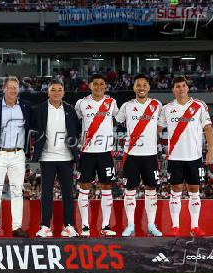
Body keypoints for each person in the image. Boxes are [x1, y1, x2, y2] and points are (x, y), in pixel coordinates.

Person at [158, 75, 213, 237]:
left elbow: (208, 128)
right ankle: (175, 226)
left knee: (194, 190)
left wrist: (210, 149)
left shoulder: (199, 106)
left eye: (183, 86)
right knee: (175, 190)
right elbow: (158, 129)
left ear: (187, 88)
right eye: (177, 86)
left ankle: (194, 226)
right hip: (175, 157)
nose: (181, 89)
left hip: (194, 157)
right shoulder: (167, 108)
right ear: (173, 89)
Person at [115, 74, 163, 237]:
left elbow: (161, 125)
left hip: (150, 155)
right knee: (129, 190)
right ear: (134, 87)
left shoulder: (157, 105)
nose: (141, 88)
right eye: (138, 85)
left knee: (152, 190)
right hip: (131, 155)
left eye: (144, 85)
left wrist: (150, 137)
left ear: (149, 87)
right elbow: (116, 121)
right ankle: (130, 225)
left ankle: (151, 225)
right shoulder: (127, 106)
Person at [31, 79, 80, 238]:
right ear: (48, 91)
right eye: (53, 89)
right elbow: (32, 129)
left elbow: (76, 130)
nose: (57, 92)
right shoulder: (39, 109)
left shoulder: (70, 110)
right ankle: (45, 226)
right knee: (46, 193)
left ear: (64, 92)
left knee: (68, 193)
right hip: (46, 157)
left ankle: (69, 226)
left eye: (60, 89)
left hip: (66, 157)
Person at [0, 76, 31, 238]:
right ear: (3, 89)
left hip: (18, 154)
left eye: (15, 87)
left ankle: (17, 227)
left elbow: (31, 128)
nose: (13, 90)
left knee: (17, 191)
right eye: (10, 87)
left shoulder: (25, 107)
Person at [75, 74, 119, 237]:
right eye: (96, 84)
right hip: (87, 152)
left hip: (106, 152)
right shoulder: (81, 103)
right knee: (84, 188)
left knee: (107, 187)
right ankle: (85, 226)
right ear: (90, 85)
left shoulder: (112, 102)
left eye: (102, 84)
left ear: (105, 86)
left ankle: (105, 226)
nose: (99, 87)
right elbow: (74, 121)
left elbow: (120, 118)